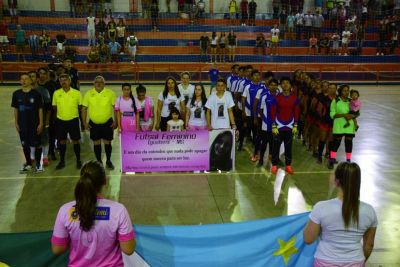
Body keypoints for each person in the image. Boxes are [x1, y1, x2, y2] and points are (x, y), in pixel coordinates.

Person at [51, 161, 136, 265]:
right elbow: (128, 249)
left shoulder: (65, 210)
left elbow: (57, 249)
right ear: (104, 182)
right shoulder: (119, 210)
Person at [304, 162, 377, 267]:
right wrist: (360, 261)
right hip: (356, 261)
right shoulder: (369, 211)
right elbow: (369, 245)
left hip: (325, 261)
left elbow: (308, 239)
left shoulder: (321, 208)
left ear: (337, 182)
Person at [82, 76, 117, 169]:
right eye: (96, 82)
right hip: (94, 123)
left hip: (107, 123)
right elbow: (84, 108)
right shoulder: (88, 94)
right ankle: (99, 162)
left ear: (104, 84)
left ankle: (108, 160)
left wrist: (116, 121)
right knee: (96, 143)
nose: (98, 83)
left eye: (100, 82)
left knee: (107, 142)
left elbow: (115, 109)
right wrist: (84, 122)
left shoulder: (110, 93)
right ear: (93, 84)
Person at [11, 73, 43, 173]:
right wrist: (16, 123)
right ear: (20, 81)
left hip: (34, 124)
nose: (24, 81)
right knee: (25, 144)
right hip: (22, 124)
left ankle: (38, 165)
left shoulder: (36, 94)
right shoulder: (16, 94)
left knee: (37, 144)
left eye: (26, 79)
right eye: (22, 79)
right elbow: (16, 109)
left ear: (30, 81)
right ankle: (29, 163)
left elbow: (40, 109)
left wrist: (41, 123)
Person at [52, 74, 83, 169]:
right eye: (61, 80)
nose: (63, 82)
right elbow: (54, 107)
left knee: (76, 141)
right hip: (61, 121)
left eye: (65, 80)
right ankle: (62, 161)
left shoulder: (77, 93)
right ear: (59, 82)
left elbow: (80, 107)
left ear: (70, 81)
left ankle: (78, 160)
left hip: (73, 120)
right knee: (62, 141)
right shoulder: (56, 93)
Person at [270, 77, 300, 175]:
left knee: (288, 147)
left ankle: (288, 165)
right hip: (278, 125)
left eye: (287, 83)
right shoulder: (277, 97)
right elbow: (273, 112)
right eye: (283, 83)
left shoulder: (295, 98)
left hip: (290, 126)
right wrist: (273, 125)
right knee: (276, 147)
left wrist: (295, 124)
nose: (285, 85)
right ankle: (274, 165)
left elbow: (296, 112)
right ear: (281, 85)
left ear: (291, 85)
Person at [328, 84, 356, 169]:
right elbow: (332, 114)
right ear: (340, 91)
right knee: (336, 143)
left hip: (349, 126)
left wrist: (352, 116)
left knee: (349, 143)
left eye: (347, 90)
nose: (346, 92)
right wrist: (343, 115)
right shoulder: (335, 101)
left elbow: (356, 112)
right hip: (339, 125)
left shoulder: (351, 101)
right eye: (344, 90)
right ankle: (331, 159)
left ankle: (348, 160)